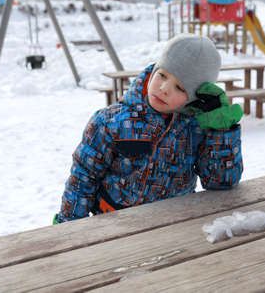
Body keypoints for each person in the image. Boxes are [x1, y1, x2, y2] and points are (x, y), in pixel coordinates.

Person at [54, 34, 243, 224]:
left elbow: (221, 183)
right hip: (114, 226)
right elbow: (83, 178)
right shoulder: (110, 122)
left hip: (175, 226)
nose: (164, 88)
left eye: (180, 87)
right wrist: (67, 226)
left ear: (195, 96)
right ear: (154, 70)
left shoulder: (197, 128)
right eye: (162, 75)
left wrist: (221, 132)